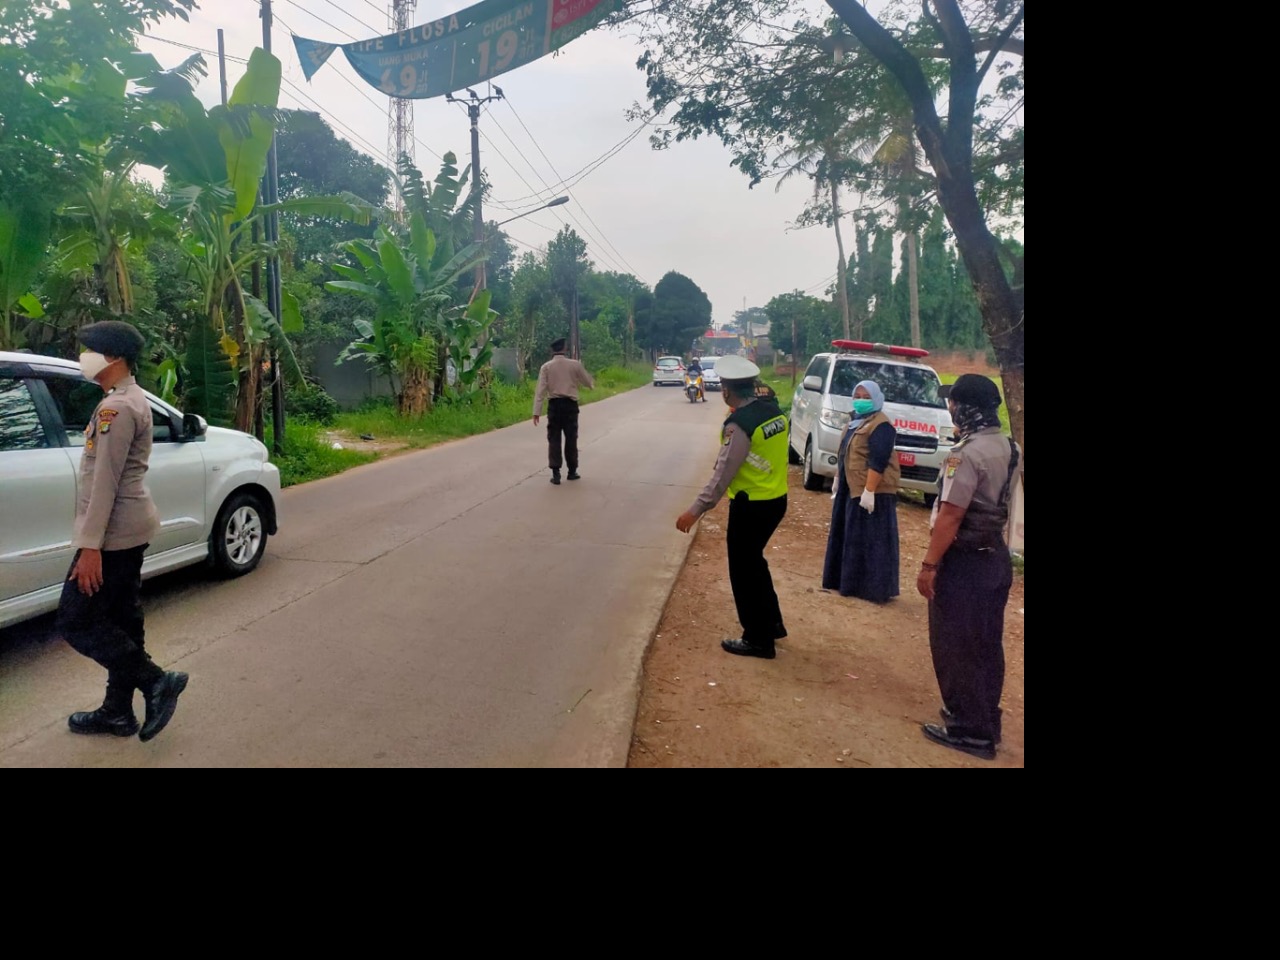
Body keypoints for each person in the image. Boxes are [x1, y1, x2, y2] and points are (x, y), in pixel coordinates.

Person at [57, 320, 188, 742]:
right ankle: (117, 712)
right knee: (122, 619)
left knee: (76, 620)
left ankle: (154, 682)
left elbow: (104, 483)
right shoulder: (127, 398)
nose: (83, 358)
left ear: (111, 357)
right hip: (130, 528)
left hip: (113, 537)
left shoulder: (116, 408)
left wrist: (89, 548)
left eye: (88, 350)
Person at [916, 374, 1021, 760]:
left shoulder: (965, 454)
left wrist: (929, 565)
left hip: (964, 563)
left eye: (953, 401)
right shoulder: (1009, 447)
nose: (950, 407)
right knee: (986, 645)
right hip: (993, 557)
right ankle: (984, 721)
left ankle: (968, 730)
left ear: (966, 407)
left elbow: (951, 516)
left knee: (956, 645)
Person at [676, 356, 789, 659]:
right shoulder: (772, 412)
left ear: (726, 390)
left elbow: (722, 474)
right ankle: (773, 624)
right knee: (756, 564)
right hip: (776, 499)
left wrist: (695, 510)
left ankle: (757, 639)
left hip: (751, 506)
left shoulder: (740, 425)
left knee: (744, 571)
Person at [822, 379, 900, 603]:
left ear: (876, 399)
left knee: (871, 540)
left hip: (872, 492)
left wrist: (869, 491)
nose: (861, 401)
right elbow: (846, 453)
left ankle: (872, 588)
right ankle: (845, 582)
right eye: (858, 396)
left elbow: (879, 460)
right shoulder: (854, 422)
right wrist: (838, 477)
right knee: (848, 535)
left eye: (867, 397)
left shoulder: (882, 425)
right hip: (851, 489)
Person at [532, 337, 594, 484]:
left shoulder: (546, 367)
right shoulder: (575, 365)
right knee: (571, 438)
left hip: (554, 405)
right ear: (565, 349)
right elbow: (586, 380)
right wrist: (591, 385)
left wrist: (536, 411)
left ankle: (556, 474)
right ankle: (572, 472)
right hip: (570, 405)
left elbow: (540, 391)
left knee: (554, 438)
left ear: (552, 350)